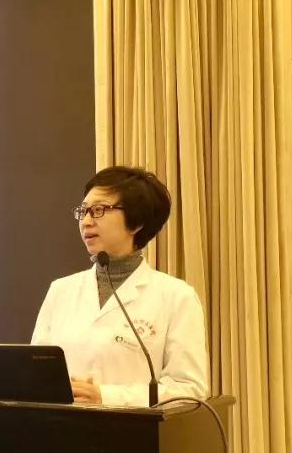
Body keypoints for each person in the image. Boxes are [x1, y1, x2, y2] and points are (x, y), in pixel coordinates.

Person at [31, 166, 209, 406]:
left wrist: (105, 396)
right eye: (83, 211)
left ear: (137, 222)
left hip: (133, 428)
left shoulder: (176, 297)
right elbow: (36, 375)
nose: (86, 222)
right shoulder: (61, 291)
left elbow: (189, 388)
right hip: (60, 426)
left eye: (98, 210)